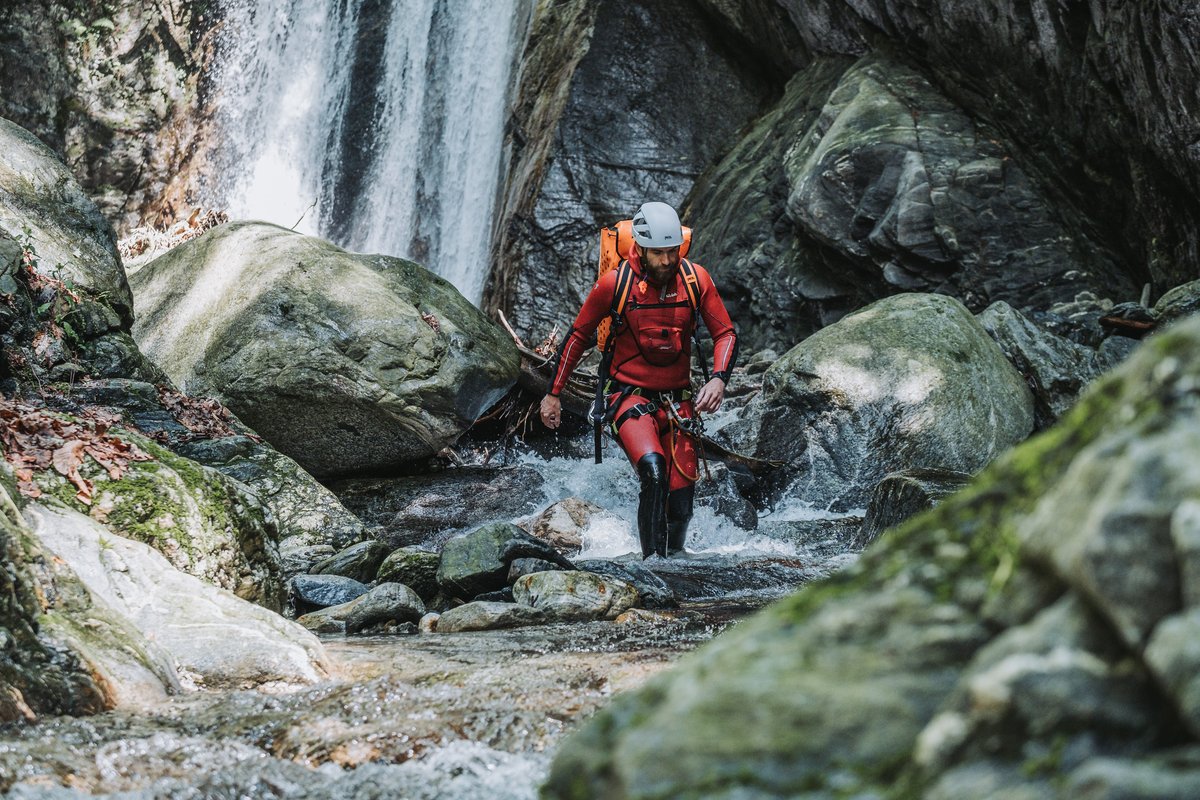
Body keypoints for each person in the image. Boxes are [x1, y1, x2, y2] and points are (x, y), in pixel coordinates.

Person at [539, 201, 738, 558]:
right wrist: (553, 394)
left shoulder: (696, 280)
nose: (667, 260)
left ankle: (676, 566)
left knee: (681, 503)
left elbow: (725, 333)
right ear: (641, 250)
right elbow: (577, 337)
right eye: (659, 253)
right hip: (628, 398)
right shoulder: (614, 285)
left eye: (672, 251)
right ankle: (652, 568)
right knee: (654, 472)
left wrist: (719, 379)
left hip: (679, 402)